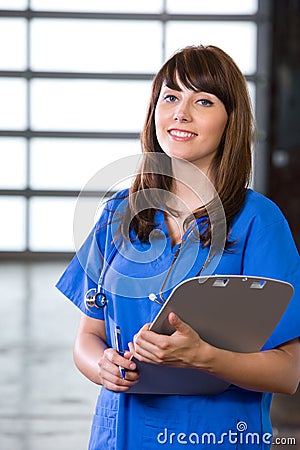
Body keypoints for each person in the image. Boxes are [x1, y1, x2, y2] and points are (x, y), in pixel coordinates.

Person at [56, 45, 300, 449]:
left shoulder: (259, 221)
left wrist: (204, 357)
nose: (180, 113)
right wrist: (102, 367)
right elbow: (88, 337)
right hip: (119, 436)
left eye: (203, 100)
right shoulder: (119, 216)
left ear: (230, 121)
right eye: (170, 97)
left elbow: (289, 372)